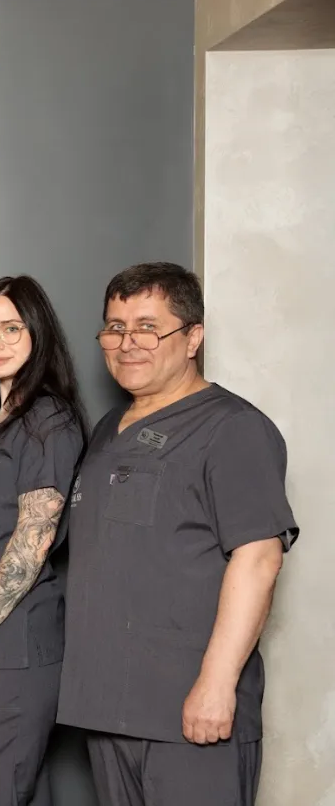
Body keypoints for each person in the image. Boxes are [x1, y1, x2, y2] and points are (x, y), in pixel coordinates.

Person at [57, 262, 298, 806]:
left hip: (188, 709)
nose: (127, 343)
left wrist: (215, 686)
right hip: (107, 706)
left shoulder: (233, 429)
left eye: (148, 326)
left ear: (193, 337)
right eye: (114, 327)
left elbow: (259, 560)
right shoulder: (107, 432)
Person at [0, 276, 87, 806]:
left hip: (10, 646)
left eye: (11, 328)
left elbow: (35, 533)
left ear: (38, 333)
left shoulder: (47, 421)